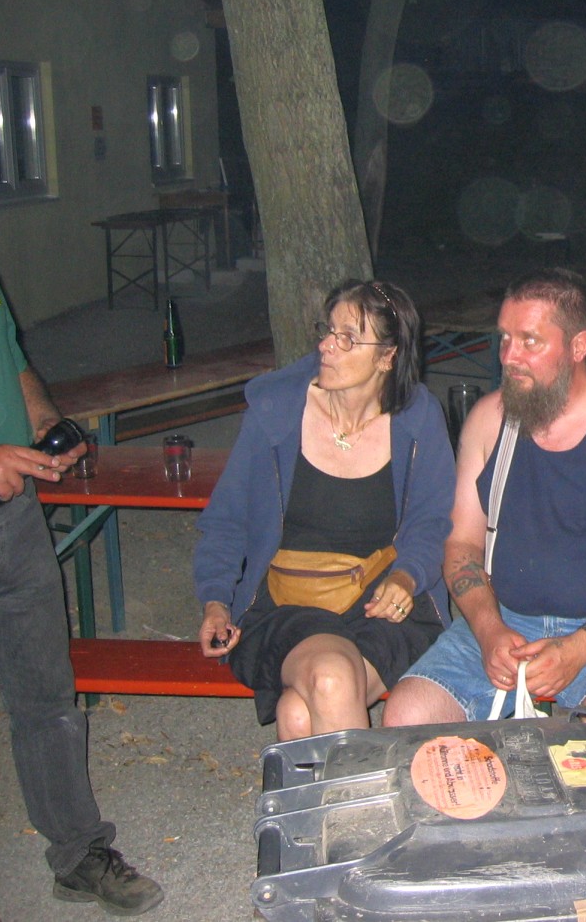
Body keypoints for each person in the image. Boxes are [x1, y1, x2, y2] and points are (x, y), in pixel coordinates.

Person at [0, 136, 163, 921]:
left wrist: (44, 422)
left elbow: (11, 357)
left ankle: (78, 854)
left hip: (12, 520)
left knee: (47, 697)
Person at [383, 268, 586, 727]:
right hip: (506, 619)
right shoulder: (489, 420)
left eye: (530, 341)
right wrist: (488, 630)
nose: (509, 356)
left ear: (578, 346)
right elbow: (462, 544)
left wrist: (581, 646)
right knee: (407, 715)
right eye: (505, 338)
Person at [195, 280, 454, 740]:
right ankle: (367, 792)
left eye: (348, 338)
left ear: (387, 356)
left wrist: (406, 576)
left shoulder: (417, 417)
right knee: (331, 678)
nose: (326, 346)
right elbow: (227, 520)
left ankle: (314, 792)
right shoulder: (277, 412)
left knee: (299, 713)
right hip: (284, 605)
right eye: (328, 331)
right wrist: (216, 601)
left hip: (381, 605)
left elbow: (432, 521)